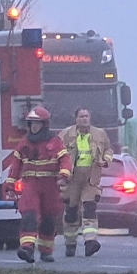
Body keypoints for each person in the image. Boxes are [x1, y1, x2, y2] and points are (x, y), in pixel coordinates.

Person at [3, 106, 70, 264]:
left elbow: (65, 160)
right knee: (29, 215)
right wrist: (10, 186)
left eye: (37, 124)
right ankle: (27, 248)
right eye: (32, 124)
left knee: (49, 219)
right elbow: (15, 166)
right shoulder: (24, 143)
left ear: (44, 125)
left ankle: (46, 251)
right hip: (30, 185)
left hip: (50, 187)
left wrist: (64, 176)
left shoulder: (55, 142)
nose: (34, 127)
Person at [57, 108, 115, 257]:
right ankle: (70, 244)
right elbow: (56, 154)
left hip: (91, 177)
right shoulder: (65, 135)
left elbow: (108, 150)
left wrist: (105, 160)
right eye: (81, 116)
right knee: (71, 212)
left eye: (87, 116)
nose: (84, 119)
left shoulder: (99, 134)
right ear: (76, 118)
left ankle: (90, 242)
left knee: (90, 208)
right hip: (72, 178)